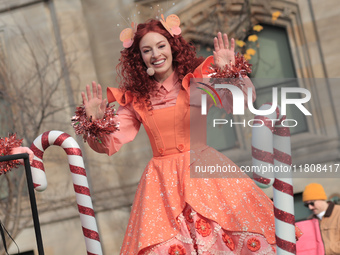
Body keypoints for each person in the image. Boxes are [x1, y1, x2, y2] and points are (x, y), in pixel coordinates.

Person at [79, 17, 278, 254]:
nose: (155, 54)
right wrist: (95, 122)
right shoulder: (137, 98)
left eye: (161, 46)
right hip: (161, 185)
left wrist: (228, 73)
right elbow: (109, 143)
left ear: (172, 46)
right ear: (139, 57)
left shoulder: (196, 80)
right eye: (147, 50)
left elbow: (240, 102)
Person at [302, 183, 340, 254]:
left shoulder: (338, 213)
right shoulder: (310, 220)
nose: (310, 207)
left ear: (321, 199)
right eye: (306, 205)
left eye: (312, 203)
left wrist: (321, 249)